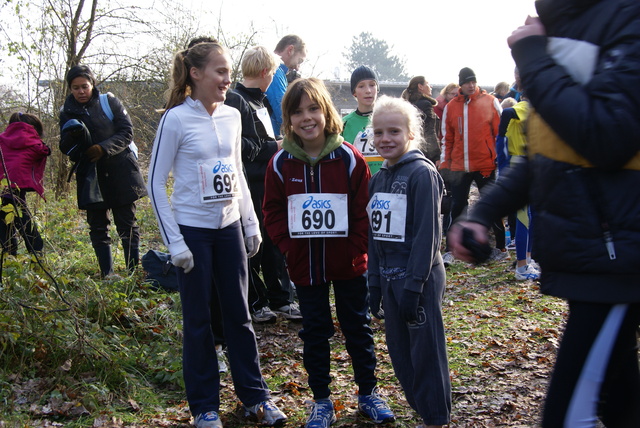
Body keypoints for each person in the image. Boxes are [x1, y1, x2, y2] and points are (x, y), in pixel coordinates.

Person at [448, 1, 640, 426]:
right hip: (594, 259)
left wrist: (535, 58)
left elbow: (610, 136)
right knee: (622, 405)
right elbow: (547, 158)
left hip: (614, 264)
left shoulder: (624, 15)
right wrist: (483, 214)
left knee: (568, 415)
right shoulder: (561, 25)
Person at [147, 42, 287, 428]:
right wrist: (175, 241)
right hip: (193, 232)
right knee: (198, 320)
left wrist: (250, 223)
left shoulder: (231, 116)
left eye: (229, 72)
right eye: (220, 72)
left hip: (228, 231)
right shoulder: (175, 120)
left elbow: (236, 172)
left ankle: (254, 398)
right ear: (196, 74)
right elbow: (155, 184)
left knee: (240, 316)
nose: (228, 80)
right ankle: (205, 407)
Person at [263, 78, 395, 428]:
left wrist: (356, 249)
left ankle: (368, 392)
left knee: (358, 327)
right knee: (315, 331)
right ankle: (321, 400)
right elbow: (272, 211)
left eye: (313, 109)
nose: (307, 118)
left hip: (349, 263)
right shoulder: (280, 164)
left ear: (326, 111)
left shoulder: (349, 158)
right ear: (288, 119)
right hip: (306, 266)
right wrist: (289, 248)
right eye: (297, 112)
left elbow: (363, 209)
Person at [368, 95, 451, 428]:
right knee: (400, 352)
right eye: (379, 132)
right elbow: (374, 235)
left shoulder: (421, 174)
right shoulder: (378, 179)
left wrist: (415, 285)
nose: (385, 139)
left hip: (418, 278)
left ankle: (435, 418)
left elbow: (427, 234)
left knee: (425, 351)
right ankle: (423, 409)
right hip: (388, 279)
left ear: (411, 134)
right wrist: (373, 282)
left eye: (394, 132)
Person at [234, 45, 302, 323]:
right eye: (273, 72)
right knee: (252, 244)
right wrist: (273, 146)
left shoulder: (261, 101)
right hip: (249, 185)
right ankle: (255, 300)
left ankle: (281, 297)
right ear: (265, 72)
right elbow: (239, 146)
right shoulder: (236, 100)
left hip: (269, 182)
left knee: (274, 239)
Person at [59, 64, 146, 278]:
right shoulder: (65, 112)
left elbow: (127, 132)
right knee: (98, 226)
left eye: (84, 86)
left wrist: (103, 148)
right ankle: (107, 273)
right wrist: (79, 144)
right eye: (75, 87)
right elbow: (65, 145)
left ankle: (133, 272)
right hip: (90, 176)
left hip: (121, 171)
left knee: (127, 223)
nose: (81, 91)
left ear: (92, 84)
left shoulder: (109, 102)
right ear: (70, 88)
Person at [440, 67, 505, 266]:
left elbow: (501, 135)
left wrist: (498, 159)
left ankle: (500, 247)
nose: (471, 85)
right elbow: (446, 138)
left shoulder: (491, 102)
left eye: (473, 81)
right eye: (467, 82)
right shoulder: (451, 106)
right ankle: (451, 250)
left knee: (491, 205)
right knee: (457, 206)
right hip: (460, 167)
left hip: (485, 164)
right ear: (460, 84)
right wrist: (445, 162)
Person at [496, 97, 539, 281]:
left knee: (531, 216)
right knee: (524, 218)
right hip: (519, 164)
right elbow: (506, 112)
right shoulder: (526, 106)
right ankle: (522, 266)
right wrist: (503, 158)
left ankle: (527, 261)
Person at [0, 113, 50, 256]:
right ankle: (36, 253)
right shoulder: (32, 141)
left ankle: (10, 253)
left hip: (3, 185)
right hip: (17, 185)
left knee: (6, 221)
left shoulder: (2, 139)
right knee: (22, 220)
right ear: (33, 128)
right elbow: (44, 151)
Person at [341, 65, 384, 174]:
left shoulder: (389, 120)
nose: (368, 91)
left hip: (385, 185)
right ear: (354, 92)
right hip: (358, 186)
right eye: (361, 86)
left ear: (377, 89)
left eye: (372, 85)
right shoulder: (343, 124)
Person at [265, 34, 307, 135]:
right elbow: (284, 113)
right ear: (290, 50)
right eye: (299, 61)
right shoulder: (275, 72)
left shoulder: (275, 72)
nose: (297, 68)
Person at [401, 76, 440, 163]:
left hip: (408, 150)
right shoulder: (425, 104)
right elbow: (430, 131)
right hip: (425, 154)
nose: (431, 87)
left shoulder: (407, 104)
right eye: (428, 84)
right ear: (420, 86)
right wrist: (437, 156)